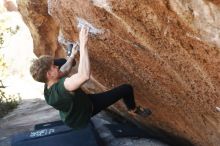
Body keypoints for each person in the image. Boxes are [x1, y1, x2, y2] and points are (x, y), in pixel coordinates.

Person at [30, 26, 151, 129]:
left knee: (63, 62)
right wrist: (83, 45)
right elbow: (84, 75)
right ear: (49, 75)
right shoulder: (63, 87)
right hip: (84, 113)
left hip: (77, 104)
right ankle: (133, 109)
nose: (56, 67)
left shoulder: (48, 84)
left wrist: (72, 56)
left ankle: (69, 56)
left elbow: (63, 70)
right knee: (126, 89)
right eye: (52, 67)